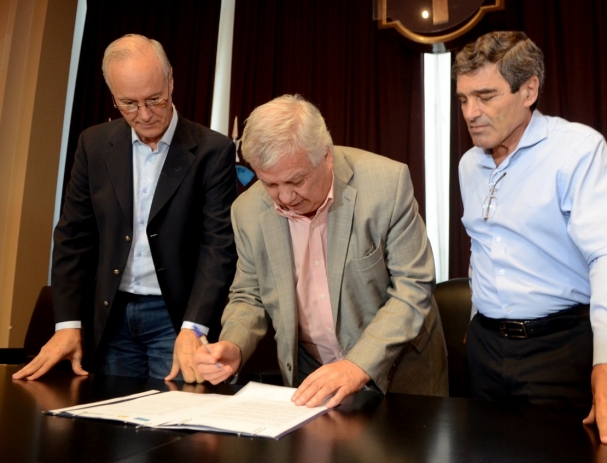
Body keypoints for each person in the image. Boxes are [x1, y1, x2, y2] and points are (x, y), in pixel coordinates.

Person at [452, 31, 607, 448]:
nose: (471, 112)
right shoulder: (467, 165)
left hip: (558, 349)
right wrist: (481, 315)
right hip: (484, 349)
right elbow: (485, 243)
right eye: (463, 99)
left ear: (528, 89)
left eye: (486, 96)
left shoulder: (577, 150)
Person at [194, 94, 448, 408]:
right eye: (270, 184)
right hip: (313, 376)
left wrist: (357, 365)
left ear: (326, 156)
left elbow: (413, 287)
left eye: (296, 180)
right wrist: (235, 343)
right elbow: (249, 294)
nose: (284, 197)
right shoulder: (246, 210)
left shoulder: (386, 185)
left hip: (400, 372)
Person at [13, 34, 237, 383]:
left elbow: (218, 248)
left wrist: (194, 326)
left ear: (171, 81)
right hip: (110, 317)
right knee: (111, 428)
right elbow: (74, 236)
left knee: (176, 425)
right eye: (128, 103)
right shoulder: (95, 144)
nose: (145, 114)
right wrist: (68, 324)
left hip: (175, 319)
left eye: (155, 99)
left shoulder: (213, 151)